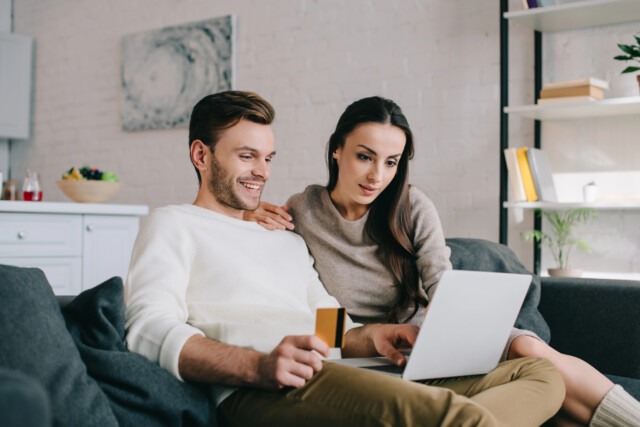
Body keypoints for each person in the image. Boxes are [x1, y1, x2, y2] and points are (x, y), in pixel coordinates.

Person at [124, 90, 565, 427]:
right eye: (246, 156)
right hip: (265, 385)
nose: (263, 171)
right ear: (201, 155)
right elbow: (147, 329)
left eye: (268, 158)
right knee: (458, 416)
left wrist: (375, 337)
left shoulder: (284, 236)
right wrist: (256, 366)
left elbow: (330, 327)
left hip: (339, 368)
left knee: (541, 375)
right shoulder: (173, 224)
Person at [245, 96, 640, 427]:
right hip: (373, 355)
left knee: (536, 356)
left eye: (391, 162)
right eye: (365, 156)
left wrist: (449, 319)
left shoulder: (411, 206)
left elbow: (443, 284)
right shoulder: (303, 211)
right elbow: (306, 302)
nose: (376, 176)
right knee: (557, 406)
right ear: (336, 148)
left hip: (437, 340)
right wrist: (249, 213)